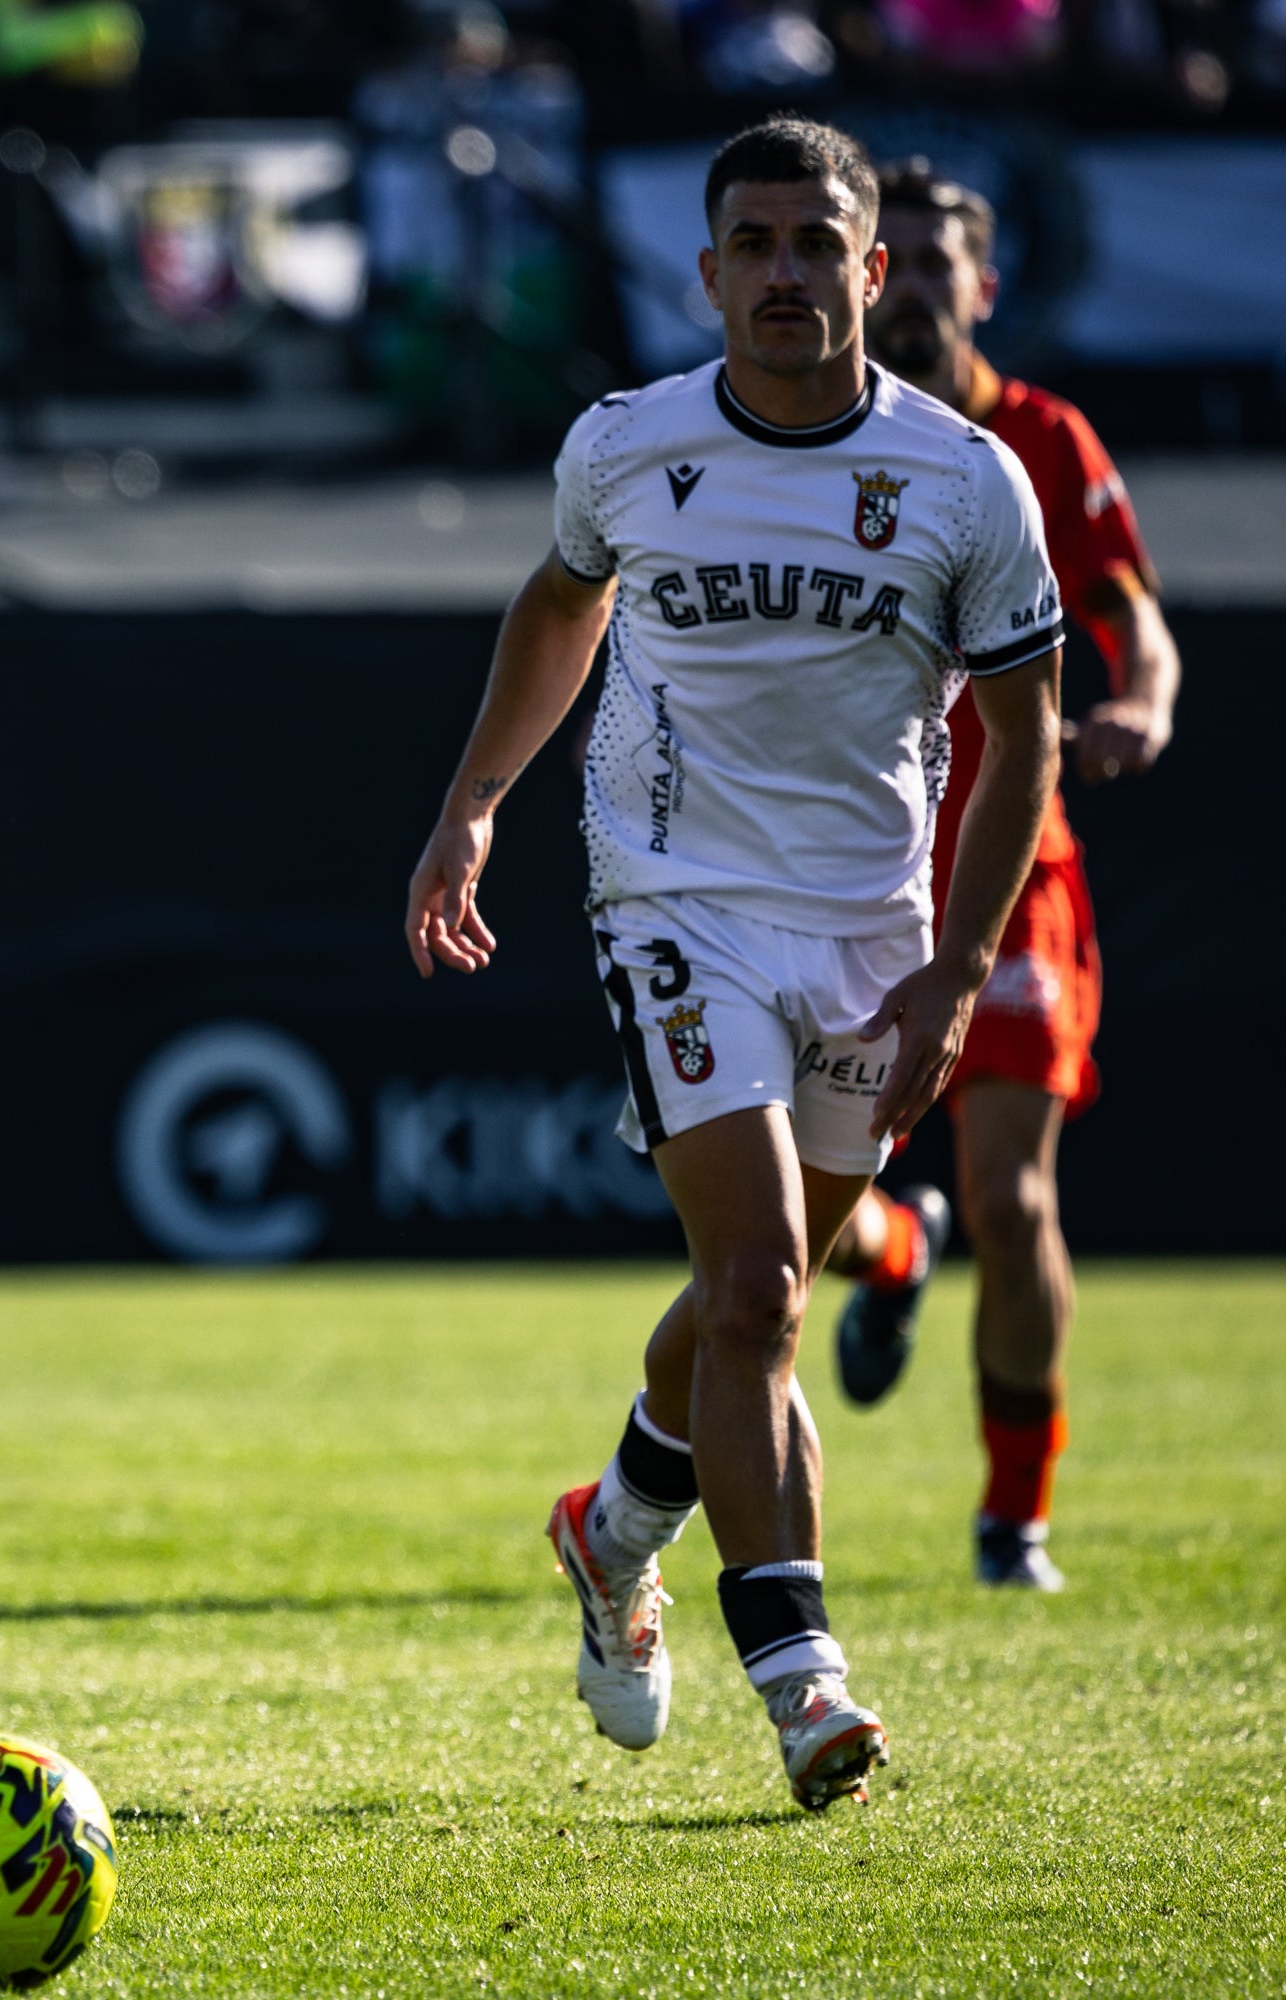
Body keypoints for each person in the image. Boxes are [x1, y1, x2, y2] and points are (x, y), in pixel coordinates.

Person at [403, 116, 1062, 1810]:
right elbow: (562, 609)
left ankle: (614, 1528)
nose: (782, 272)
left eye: (811, 243)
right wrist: (474, 806)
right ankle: (802, 1674)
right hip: (671, 898)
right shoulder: (628, 446)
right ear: (707, 275)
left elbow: (1020, 725)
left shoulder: (967, 480)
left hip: (875, 933)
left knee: (731, 1305)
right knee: (765, 1285)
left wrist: (962, 963)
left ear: (872, 268)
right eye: (749, 245)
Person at [817, 160, 1183, 1592]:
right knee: (805, 1207)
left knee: (1016, 1190)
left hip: (1014, 869)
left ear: (985, 283)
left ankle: (1011, 1517)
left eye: (932, 262)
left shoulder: (1039, 436)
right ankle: (899, 1252)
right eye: (884, 259)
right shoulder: (809, 440)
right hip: (844, 876)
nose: (907, 285)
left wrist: (1142, 702)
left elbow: (1130, 618)